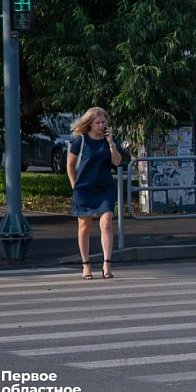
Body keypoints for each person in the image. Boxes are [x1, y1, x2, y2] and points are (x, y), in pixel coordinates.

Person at [66, 107, 124, 280]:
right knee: (84, 227)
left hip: (104, 187)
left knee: (106, 222)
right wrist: (73, 185)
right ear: (89, 123)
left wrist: (111, 143)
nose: (101, 125)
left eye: (103, 122)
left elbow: (118, 162)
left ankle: (107, 264)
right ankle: (86, 265)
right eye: (97, 122)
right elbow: (70, 165)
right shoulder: (80, 140)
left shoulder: (108, 141)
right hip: (84, 188)